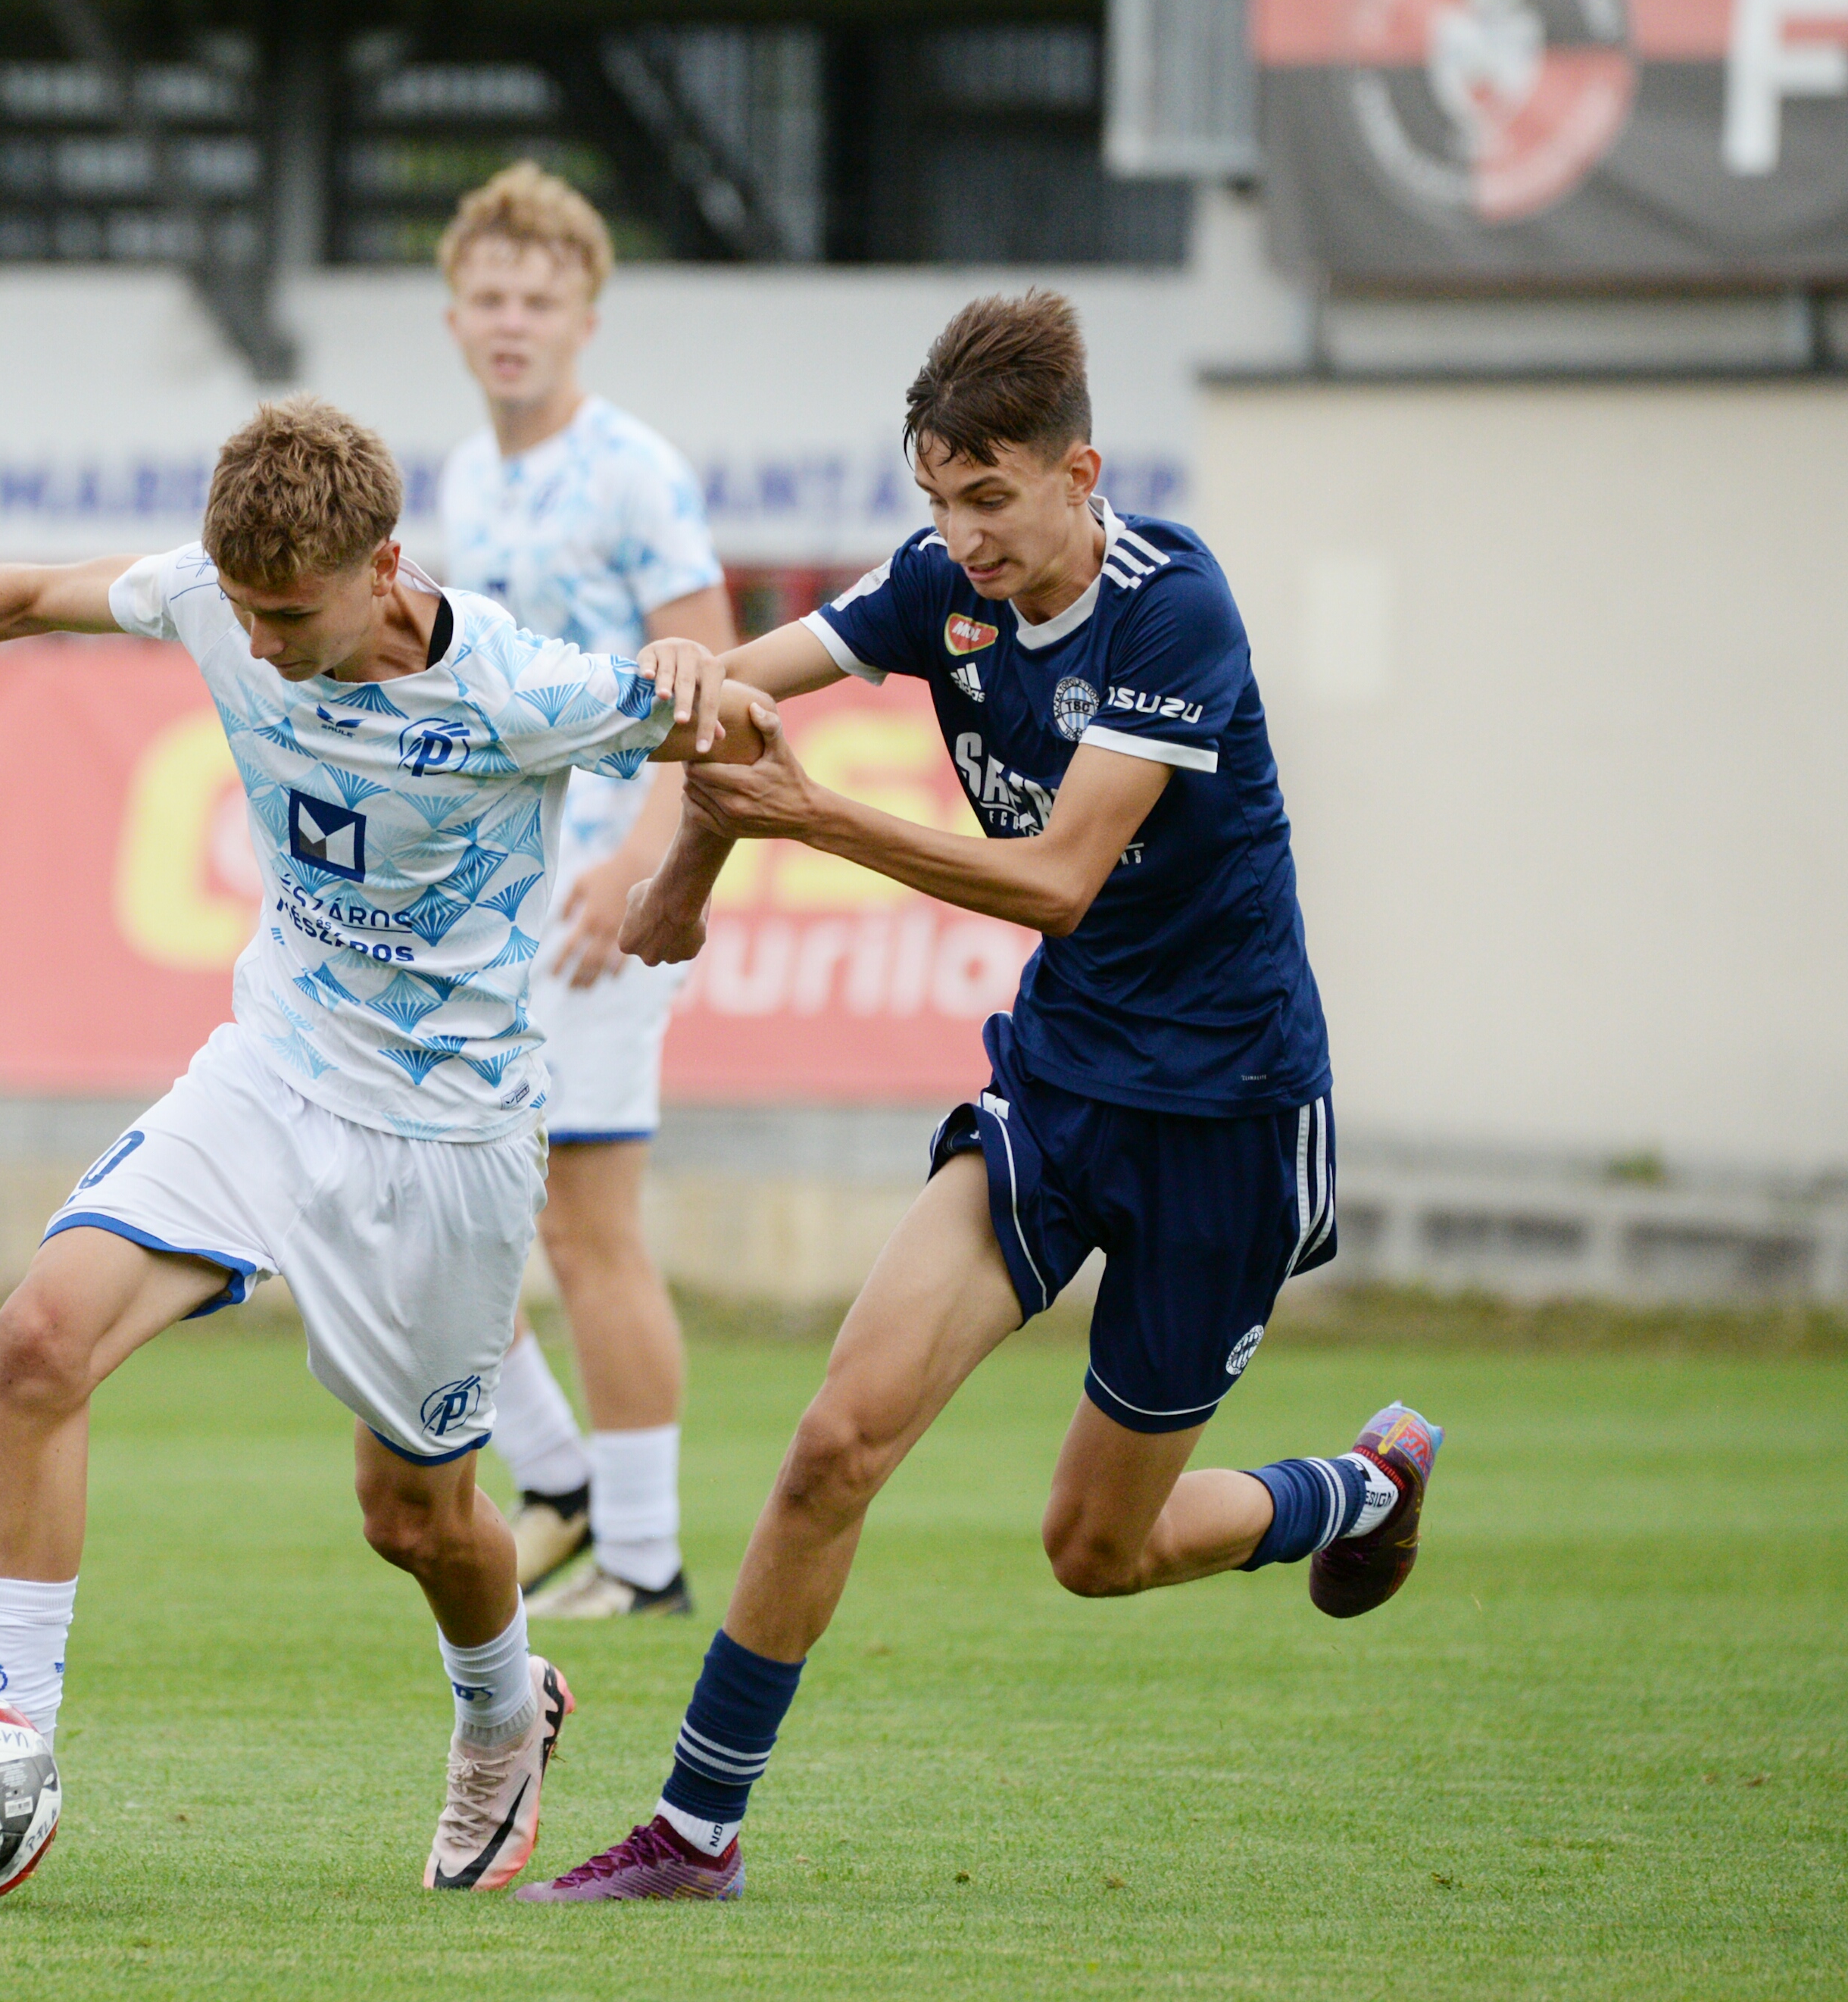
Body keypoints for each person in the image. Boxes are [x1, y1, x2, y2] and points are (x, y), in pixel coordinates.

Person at [0, 396, 769, 1893]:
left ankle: (499, 1711)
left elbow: (742, 729)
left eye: (289, 614)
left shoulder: (523, 685)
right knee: (39, 1339)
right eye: (246, 609)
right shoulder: (215, 598)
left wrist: (686, 839)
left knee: (416, 1517)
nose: (258, 645)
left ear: (386, 567)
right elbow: (23, 593)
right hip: (274, 1071)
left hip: (450, 1145)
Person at [520, 292, 1441, 1904]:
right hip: (1060, 1092)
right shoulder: (939, 588)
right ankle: (695, 1833)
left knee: (1098, 1551)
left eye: (992, 497)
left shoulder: (1178, 610)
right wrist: (673, 814)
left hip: (1227, 1116)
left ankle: (1360, 1487)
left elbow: (1063, 878)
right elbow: (735, 695)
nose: (962, 535)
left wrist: (805, 819)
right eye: (938, 500)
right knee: (832, 1444)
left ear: (1081, 472)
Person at [433, 162, 738, 1620]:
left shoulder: (633, 471)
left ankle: (645, 1557)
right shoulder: (461, 475)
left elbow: (715, 688)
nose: (511, 321)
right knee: (449, 1197)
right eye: (488, 297)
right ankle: (561, 1480)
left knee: (586, 1227)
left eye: (537, 298)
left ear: (585, 314)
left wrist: (642, 861)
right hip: (496, 896)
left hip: (607, 900)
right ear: (452, 314)